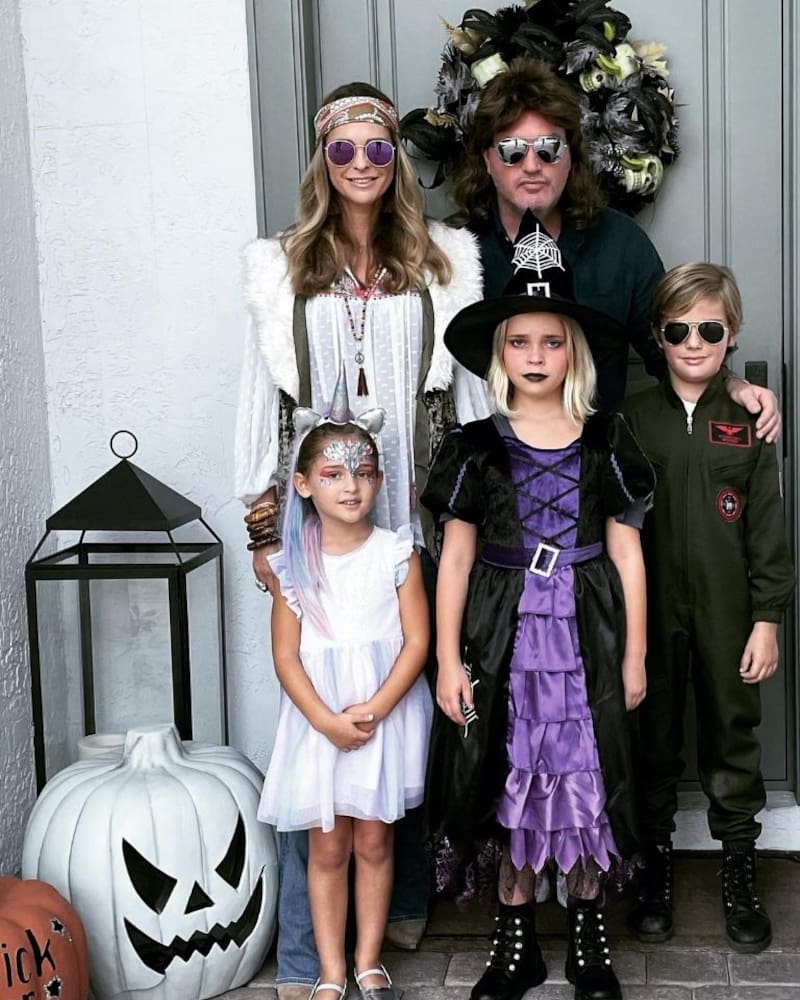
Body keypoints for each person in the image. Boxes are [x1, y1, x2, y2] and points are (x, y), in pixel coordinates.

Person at [234, 81, 483, 999]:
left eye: (379, 147)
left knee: (402, 714)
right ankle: (313, 962)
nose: (363, 163)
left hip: (409, 519)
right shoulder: (283, 267)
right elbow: (261, 398)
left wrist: (470, 517)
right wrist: (265, 529)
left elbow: (467, 402)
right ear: (323, 159)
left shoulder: (441, 263)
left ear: (397, 160)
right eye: (344, 148)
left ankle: (393, 925)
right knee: (319, 725)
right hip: (317, 530)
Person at [421, 219, 654, 1000]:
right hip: (502, 636)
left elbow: (627, 552)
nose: (535, 356)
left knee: (583, 774)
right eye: (520, 342)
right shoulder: (476, 446)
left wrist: (633, 654)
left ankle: (588, 938)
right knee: (509, 771)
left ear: (573, 353)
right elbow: (456, 558)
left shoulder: (604, 439)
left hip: (586, 632)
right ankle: (514, 941)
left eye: (552, 342)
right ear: (501, 353)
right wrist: (447, 659)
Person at [452, 57, 781, 435]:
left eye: (548, 149)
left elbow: (672, 348)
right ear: (487, 159)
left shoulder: (621, 243)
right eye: (512, 150)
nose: (531, 165)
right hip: (487, 456)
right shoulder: (453, 250)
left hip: (599, 455)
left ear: (571, 157)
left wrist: (732, 386)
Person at [620, 262, 794, 953]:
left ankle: (740, 869)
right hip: (651, 612)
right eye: (678, 331)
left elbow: (767, 529)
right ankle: (653, 866)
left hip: (729, 613)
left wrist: (767, 618)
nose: (694, 343)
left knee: (732, 734)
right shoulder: (634, 419)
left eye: (711, 331)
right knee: (653, 738)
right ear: (658, 336)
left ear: (732, 334)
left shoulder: (749, 420)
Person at [258, 394, 432, 1000]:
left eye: (363, 472)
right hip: (320, 726)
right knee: (327, 847)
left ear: (379, 479)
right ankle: (330, 969)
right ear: (304, 484)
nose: (351, 486)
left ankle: (368, 960)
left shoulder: (397, 553)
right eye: (333, 474)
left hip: (381, 717)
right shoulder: (291, 565)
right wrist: (326, 722)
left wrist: (376, 709)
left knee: (375, 841)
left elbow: (417, 641)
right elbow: (286, 658)